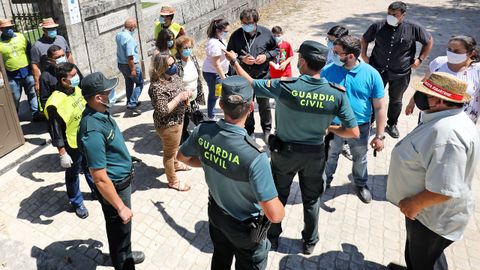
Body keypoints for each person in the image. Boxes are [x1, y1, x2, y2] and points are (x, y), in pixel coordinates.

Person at [225, 40, 360, 254]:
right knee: (312, 199)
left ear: (303, 62)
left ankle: (273, 238)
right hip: (315, 155)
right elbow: (353, 132)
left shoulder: (286, 86)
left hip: (284, 155)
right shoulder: (337, 93)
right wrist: (331, 128)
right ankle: (310, 241)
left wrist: (234, 61)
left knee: (277, 196)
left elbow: (250, 83)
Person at [177, 75, 285, 270]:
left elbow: (181, 158)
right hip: (245, 230)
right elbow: (276, 215)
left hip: (217, 215)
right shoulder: (255, 156)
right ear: (251, 108)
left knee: (220, 257)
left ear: (220, 103)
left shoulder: (203, 131)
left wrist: (211, 162)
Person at [386, 72, 480, 270]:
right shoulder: (443, 119)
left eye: (423, 93)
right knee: (418, 255)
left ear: (439, 100)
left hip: (430, 218)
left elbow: (444, 189)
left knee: (425, 262)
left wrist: (413, 203)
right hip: (423, 213)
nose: (418, 95)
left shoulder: (447, 135)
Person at [78, 72, 145, 270]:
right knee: (119, 229)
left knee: (124, 230)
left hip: (121, 181)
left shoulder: (101, 111)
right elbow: (99, 179)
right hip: (114, 188)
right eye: (108, 91)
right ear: (98, 97)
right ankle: (123, 262)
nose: (112, 93)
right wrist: (120, 207)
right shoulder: (92, 130)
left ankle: (127, 252)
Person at [321, 36, 387, 204]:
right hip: (333, 126)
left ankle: (360, 184)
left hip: (359, 127)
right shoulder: (328, 71)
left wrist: (379, 136)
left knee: (360, 157)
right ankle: (324, 181)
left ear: (350, 56)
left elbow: (379, 108)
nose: (333, 55)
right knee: (330, 154)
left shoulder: (371, 74)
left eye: (337, 53)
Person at [361, 1, 433, 138]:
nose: (390, 17)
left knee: (396, 100)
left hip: (401, 72)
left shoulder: (413, 28)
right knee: (372, 96)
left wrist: (420, 59)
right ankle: (369, 121)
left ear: (403, 15)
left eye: (394, 14)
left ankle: (391, 124)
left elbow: (429, 41)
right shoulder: (378, 26)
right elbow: (364, 39)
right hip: (377, 69)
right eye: (388, 13)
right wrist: (364, 55)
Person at [43, 62, 94, 219]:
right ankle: (76, 202)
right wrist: (62, 153)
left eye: (76, 73)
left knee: (90, 166)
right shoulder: (54, 103)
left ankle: (96, 191)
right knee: (73, 174)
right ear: (63, 80)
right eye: (73, 76)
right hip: (71, 144)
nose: (77, 77)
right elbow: (55, 131)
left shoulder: (77, 89)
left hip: (85, 137)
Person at [227, 8, 278, 140]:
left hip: (262, 77)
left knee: (264, 105)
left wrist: (266, 56)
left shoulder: (266, 33)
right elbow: (229, 54)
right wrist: (240, 59)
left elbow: (276, 50)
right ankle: (250, 130)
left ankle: (267, 130)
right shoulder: (236, 35)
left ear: (256, 22)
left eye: (249, 23)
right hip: (243, 79)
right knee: (247, 105)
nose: (246, 26)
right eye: (243, 23)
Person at [406, 35, 480, 123]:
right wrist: (412, 102)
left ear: (472, 53)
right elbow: (425, 82)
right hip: (431, 116)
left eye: (457, 51)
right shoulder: (438, 62)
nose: (452, 53)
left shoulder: (477, 70)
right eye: (449, 49)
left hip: (461, 121)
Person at [148, 53, 192, 191]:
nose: (174, 67)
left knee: (174, 149)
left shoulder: (173, 77)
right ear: (161, 68)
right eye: (170, 65)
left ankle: (176, 164)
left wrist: (187, 92)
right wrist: (179, 97)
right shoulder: (156, 87)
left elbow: (180, 88)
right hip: (168, 125)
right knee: (169, 153)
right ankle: (172, 181)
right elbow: (163, 110)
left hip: (178, 120)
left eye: (173, 63)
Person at [0, 18, 40, 120]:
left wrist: (34, 67)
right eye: (6, 28)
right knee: (15, 97)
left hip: (27, 72)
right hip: (12, 75)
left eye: (10, 27)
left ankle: (35, 113)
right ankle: (15, 116)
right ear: (1, 29)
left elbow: (29, 51)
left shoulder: (21, 37)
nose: (9, 29)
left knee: (32, 93)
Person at [323, 25, 351, 160]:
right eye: (328, 39)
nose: (329, 43)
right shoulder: (327, 51)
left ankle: (345, 144)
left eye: (332, 41)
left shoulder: (348, 56)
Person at [174, 35, 206, 142]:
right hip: (183, 99)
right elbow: (174, 82)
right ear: (179, 49)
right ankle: (182, 140)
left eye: (189, 47)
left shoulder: (193, 58)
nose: (188, 50)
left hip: (194, 96)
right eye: (185, 48)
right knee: (184, 121)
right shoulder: (176, 63)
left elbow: (198, 76)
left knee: (196, 117)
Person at [31, 17, 73, 93]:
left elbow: (68, 54)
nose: (52, 30)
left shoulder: (61, 39)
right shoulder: (37, 46)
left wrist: (72, 68)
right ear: (43, 30)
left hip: (65, 73)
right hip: (52, 78)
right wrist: (37, 82)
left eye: (54, 28)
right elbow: (35, 66)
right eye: (49, 29)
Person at [39, 45, 83, 113]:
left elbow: (82, 85)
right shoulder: (45, 77)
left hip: (79, 105)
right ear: (50, 60)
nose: (62, 58)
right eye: (58, 57)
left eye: (63, 55)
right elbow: (45, 101)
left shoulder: (72, 68)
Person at [202, 18, 230, 120]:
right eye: (225, 31)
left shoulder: (220, 39)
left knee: (217, 93)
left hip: (218, 73)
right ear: (218, 31)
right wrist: (224, 78)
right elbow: (216, 64)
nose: (227, 33)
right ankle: (211, 115)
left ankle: (212, 113)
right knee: (215, 94)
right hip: (214, 74)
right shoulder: (213, 44)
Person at [116, 18, 144, 116]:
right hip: (130, 65)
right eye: (135, 27)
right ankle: (132, 103)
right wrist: (133, 70)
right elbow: (130, 56)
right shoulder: (129, 39)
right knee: (140, 83)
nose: (135, 29)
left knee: (129, 83)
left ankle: (130, 101)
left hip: (121, 65)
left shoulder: (119, 35)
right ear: (132, 28)